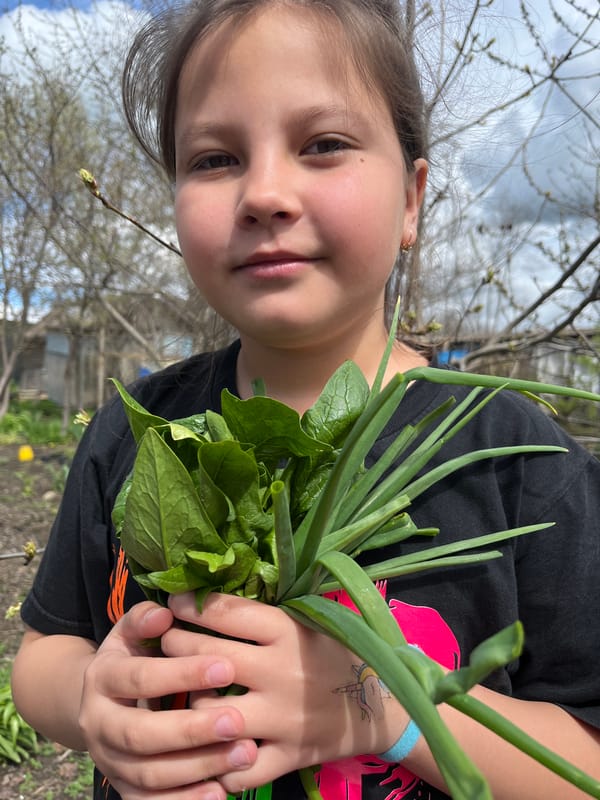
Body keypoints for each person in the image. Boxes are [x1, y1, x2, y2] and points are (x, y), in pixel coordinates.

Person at [10, 0, 600, 798]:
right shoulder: (136, 431)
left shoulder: (519, 465)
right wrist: (92, 702)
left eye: (323, 145)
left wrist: (377, 707)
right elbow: (46, 651)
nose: (265, 192)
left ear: (413, 201)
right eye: (214, 159)